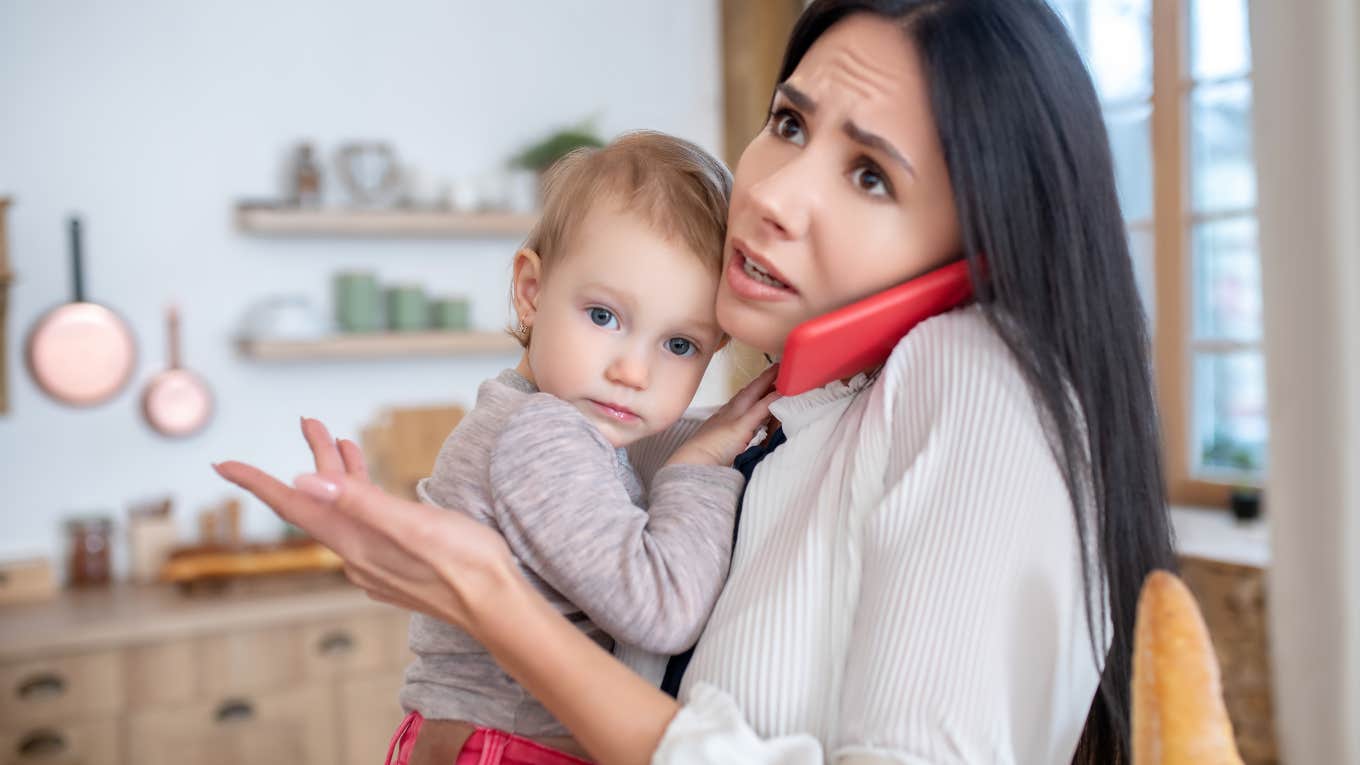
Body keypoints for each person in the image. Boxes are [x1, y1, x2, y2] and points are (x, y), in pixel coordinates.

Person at [216, 1, 1177, 762]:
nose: (770, 195)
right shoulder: (792, 413)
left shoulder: (967, 374)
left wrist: (489, 603)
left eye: (871, 176)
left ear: (981, 238)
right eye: (790, 123)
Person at [337, 131, 779, 765]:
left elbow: (635, 452)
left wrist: (719, 430)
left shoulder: (535, 414)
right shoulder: (541, 434)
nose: (634, 372)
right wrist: (702, 465)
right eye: (604, 316)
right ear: (532, 290)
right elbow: (661, 610)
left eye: (679, 346)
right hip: (509, 746)